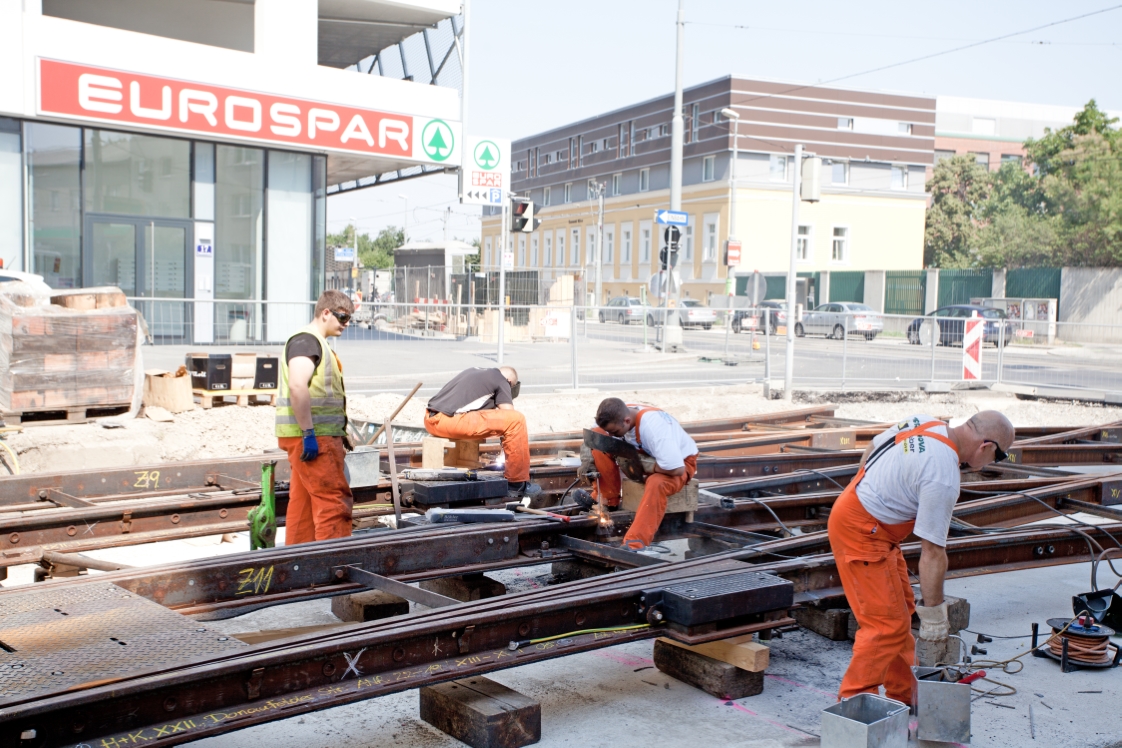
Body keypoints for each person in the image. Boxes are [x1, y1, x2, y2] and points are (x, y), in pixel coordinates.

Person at [828, 411, 1015, 704]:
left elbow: (872, 447)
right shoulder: (943, 476)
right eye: (999, 456)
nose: (993, 463)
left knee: (899, 615)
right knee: (884, 627)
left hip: (866, 520)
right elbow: (932, 554)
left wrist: (877, 494)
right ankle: (853, 708)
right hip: (863, 532)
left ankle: (903, 696)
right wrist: (935, 615)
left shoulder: (926, 422)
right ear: (986, 446)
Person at [275, 289, 355, 545]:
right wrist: (309, 432)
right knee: (334, 503)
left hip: (309, 436)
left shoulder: (315, 344)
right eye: (342, 317)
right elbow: (298, 385)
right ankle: (334, 570)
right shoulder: (306, 342)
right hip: (314, 437)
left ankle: (299, 566)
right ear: (326, 313)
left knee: (304, 504)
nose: (347, 324)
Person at [584, 398, 699, 551]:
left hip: (679, 464)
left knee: (656, 483)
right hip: (645, 457)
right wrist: (588, 457)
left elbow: (677, 469)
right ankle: (608, 500)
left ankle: (635, 543)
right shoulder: (616, 416)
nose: (613, 435)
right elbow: (598, 433)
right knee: (600, 439)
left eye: (615, 432)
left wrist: (647, 467)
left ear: (626, 420)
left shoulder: (655, 429)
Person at [424, 367, 538, 498]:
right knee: (516, 420)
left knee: (505, 420)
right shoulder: (502, 380)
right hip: (449, 421)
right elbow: (509, 413)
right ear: (509, 381)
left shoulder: (473, 371)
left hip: (430, 419)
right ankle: (517, 484)